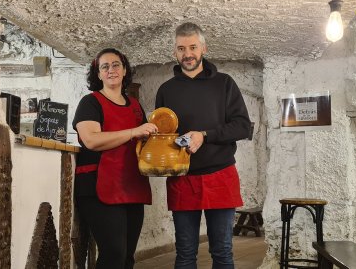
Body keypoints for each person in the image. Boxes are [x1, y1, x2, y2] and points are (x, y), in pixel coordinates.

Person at [155, 22, 251, 269]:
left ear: (204, 48)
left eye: (193, 47)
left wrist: (204, 136)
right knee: (185, 254)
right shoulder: (166, 90)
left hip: (220, 174)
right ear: (175, 52)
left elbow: (243, 126)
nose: (187, 54)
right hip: (182, 178)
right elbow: (163, 138)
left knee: (222, 252)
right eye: (181, 48)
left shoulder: (225, 83)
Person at [73, 48, 158, 269]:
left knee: (128, 256)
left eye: (116, 65)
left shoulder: (135, 106)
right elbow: (91, 140)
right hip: (99, 186)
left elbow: (145, 143)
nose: (111, 70)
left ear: (125, 69)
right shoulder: (90, 103)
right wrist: (133, 132)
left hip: (132, 185)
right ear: (98, 74)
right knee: (113, 255)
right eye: (105, 66)